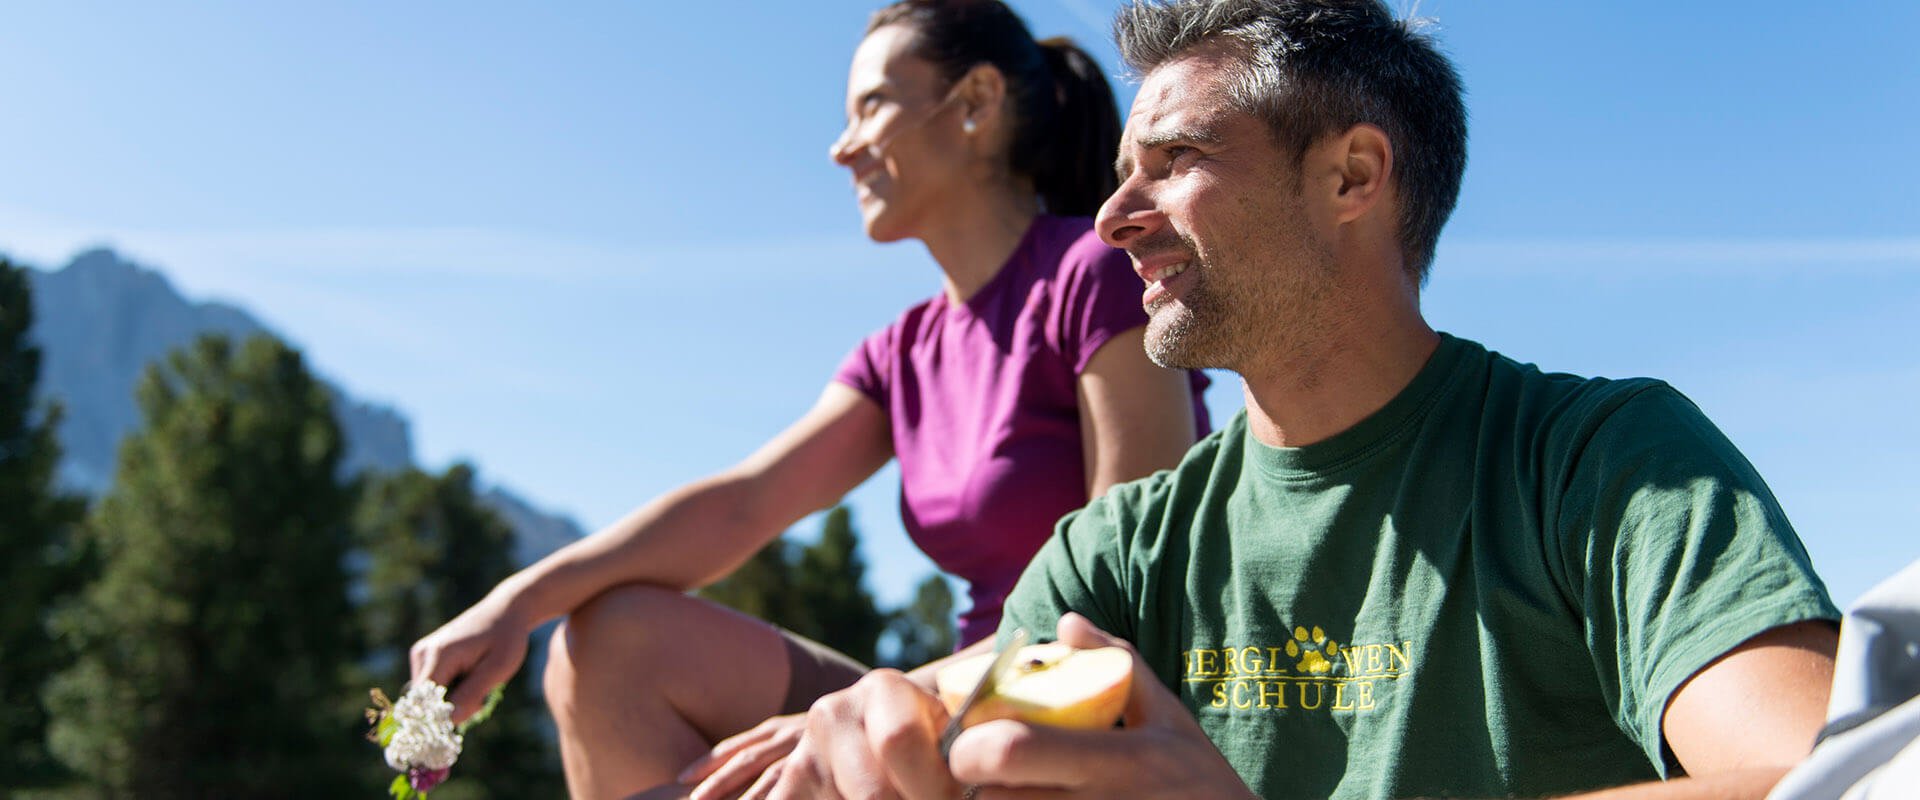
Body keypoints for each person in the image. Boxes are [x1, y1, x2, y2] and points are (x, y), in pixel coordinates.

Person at [758, 1, 1843, 798]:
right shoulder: (1121, 551)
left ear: (1351, 178)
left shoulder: (1605, 460)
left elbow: (1821, 778)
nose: (1111, 218)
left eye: (1175, 158)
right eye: (1122, 170)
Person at [407, 1, 1211, 798]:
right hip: (948, 709)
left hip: (1075, 711)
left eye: (871, 107)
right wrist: (515, 607)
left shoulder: (1096, 276)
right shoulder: (903, 351)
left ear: (975, 105)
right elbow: (743, 505)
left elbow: (1122, 590)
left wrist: (860, 712)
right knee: (611, 644)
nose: (840, 148)